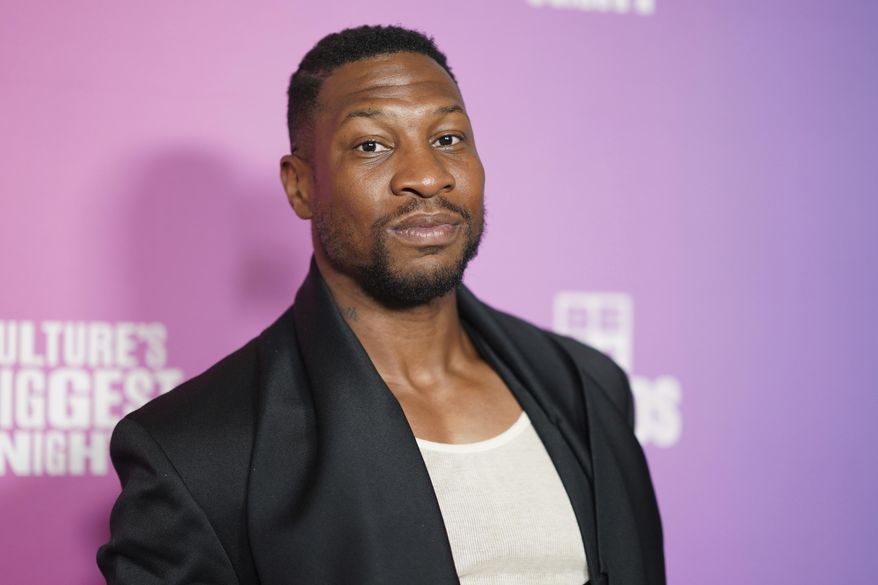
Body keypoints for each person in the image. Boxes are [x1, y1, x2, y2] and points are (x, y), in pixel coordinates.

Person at [97, 25, 665, 585]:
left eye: (448, 139)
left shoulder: (588, 385)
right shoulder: (196, 452)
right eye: (372, 145)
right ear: (300, 186)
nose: (427, 177)